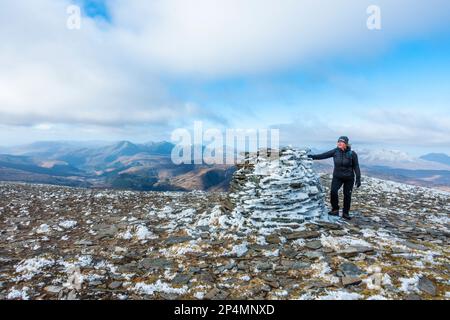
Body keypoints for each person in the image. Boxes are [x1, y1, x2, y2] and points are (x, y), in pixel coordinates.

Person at [308, 136, 361, 220]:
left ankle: (345, 213)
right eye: (338, 142)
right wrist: (312, 157)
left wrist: (358, 178)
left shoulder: (352, 154)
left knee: (347, 195)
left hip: (349, 178)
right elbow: (323, 155)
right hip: (337, 177)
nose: (339, 143)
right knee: (333, 191)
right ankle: (335, 209)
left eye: (342, 142)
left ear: (346, 144)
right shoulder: (335, 151)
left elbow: (356, 166)